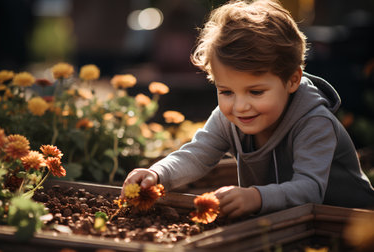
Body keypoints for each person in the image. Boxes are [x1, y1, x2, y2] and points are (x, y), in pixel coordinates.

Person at [120, 0, 374, 219]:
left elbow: (309, 189)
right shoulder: (227, 118)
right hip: (285, 222)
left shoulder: (314, 122)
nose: (240, 106)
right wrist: (157, 173)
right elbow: (196, 154)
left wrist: (256, 197)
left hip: (347, 223)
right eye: (226, 91)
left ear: (292, 80)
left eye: (256, 92)